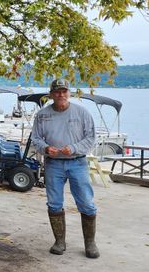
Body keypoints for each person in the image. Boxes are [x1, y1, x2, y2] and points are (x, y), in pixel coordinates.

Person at [31, 79, 99, 258]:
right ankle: (60, 241)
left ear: (69, 93)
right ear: (51, 94)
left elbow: (91, 138)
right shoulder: (42, 115)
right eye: (57, 92)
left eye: (64, 91)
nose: (61, 95)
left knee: (86, 202)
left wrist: (75, 148)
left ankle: (90, 243)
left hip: (78, 163)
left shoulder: (82, 113)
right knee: (54, 203)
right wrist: (46, 148)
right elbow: (35, 139)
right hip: (53, 164)